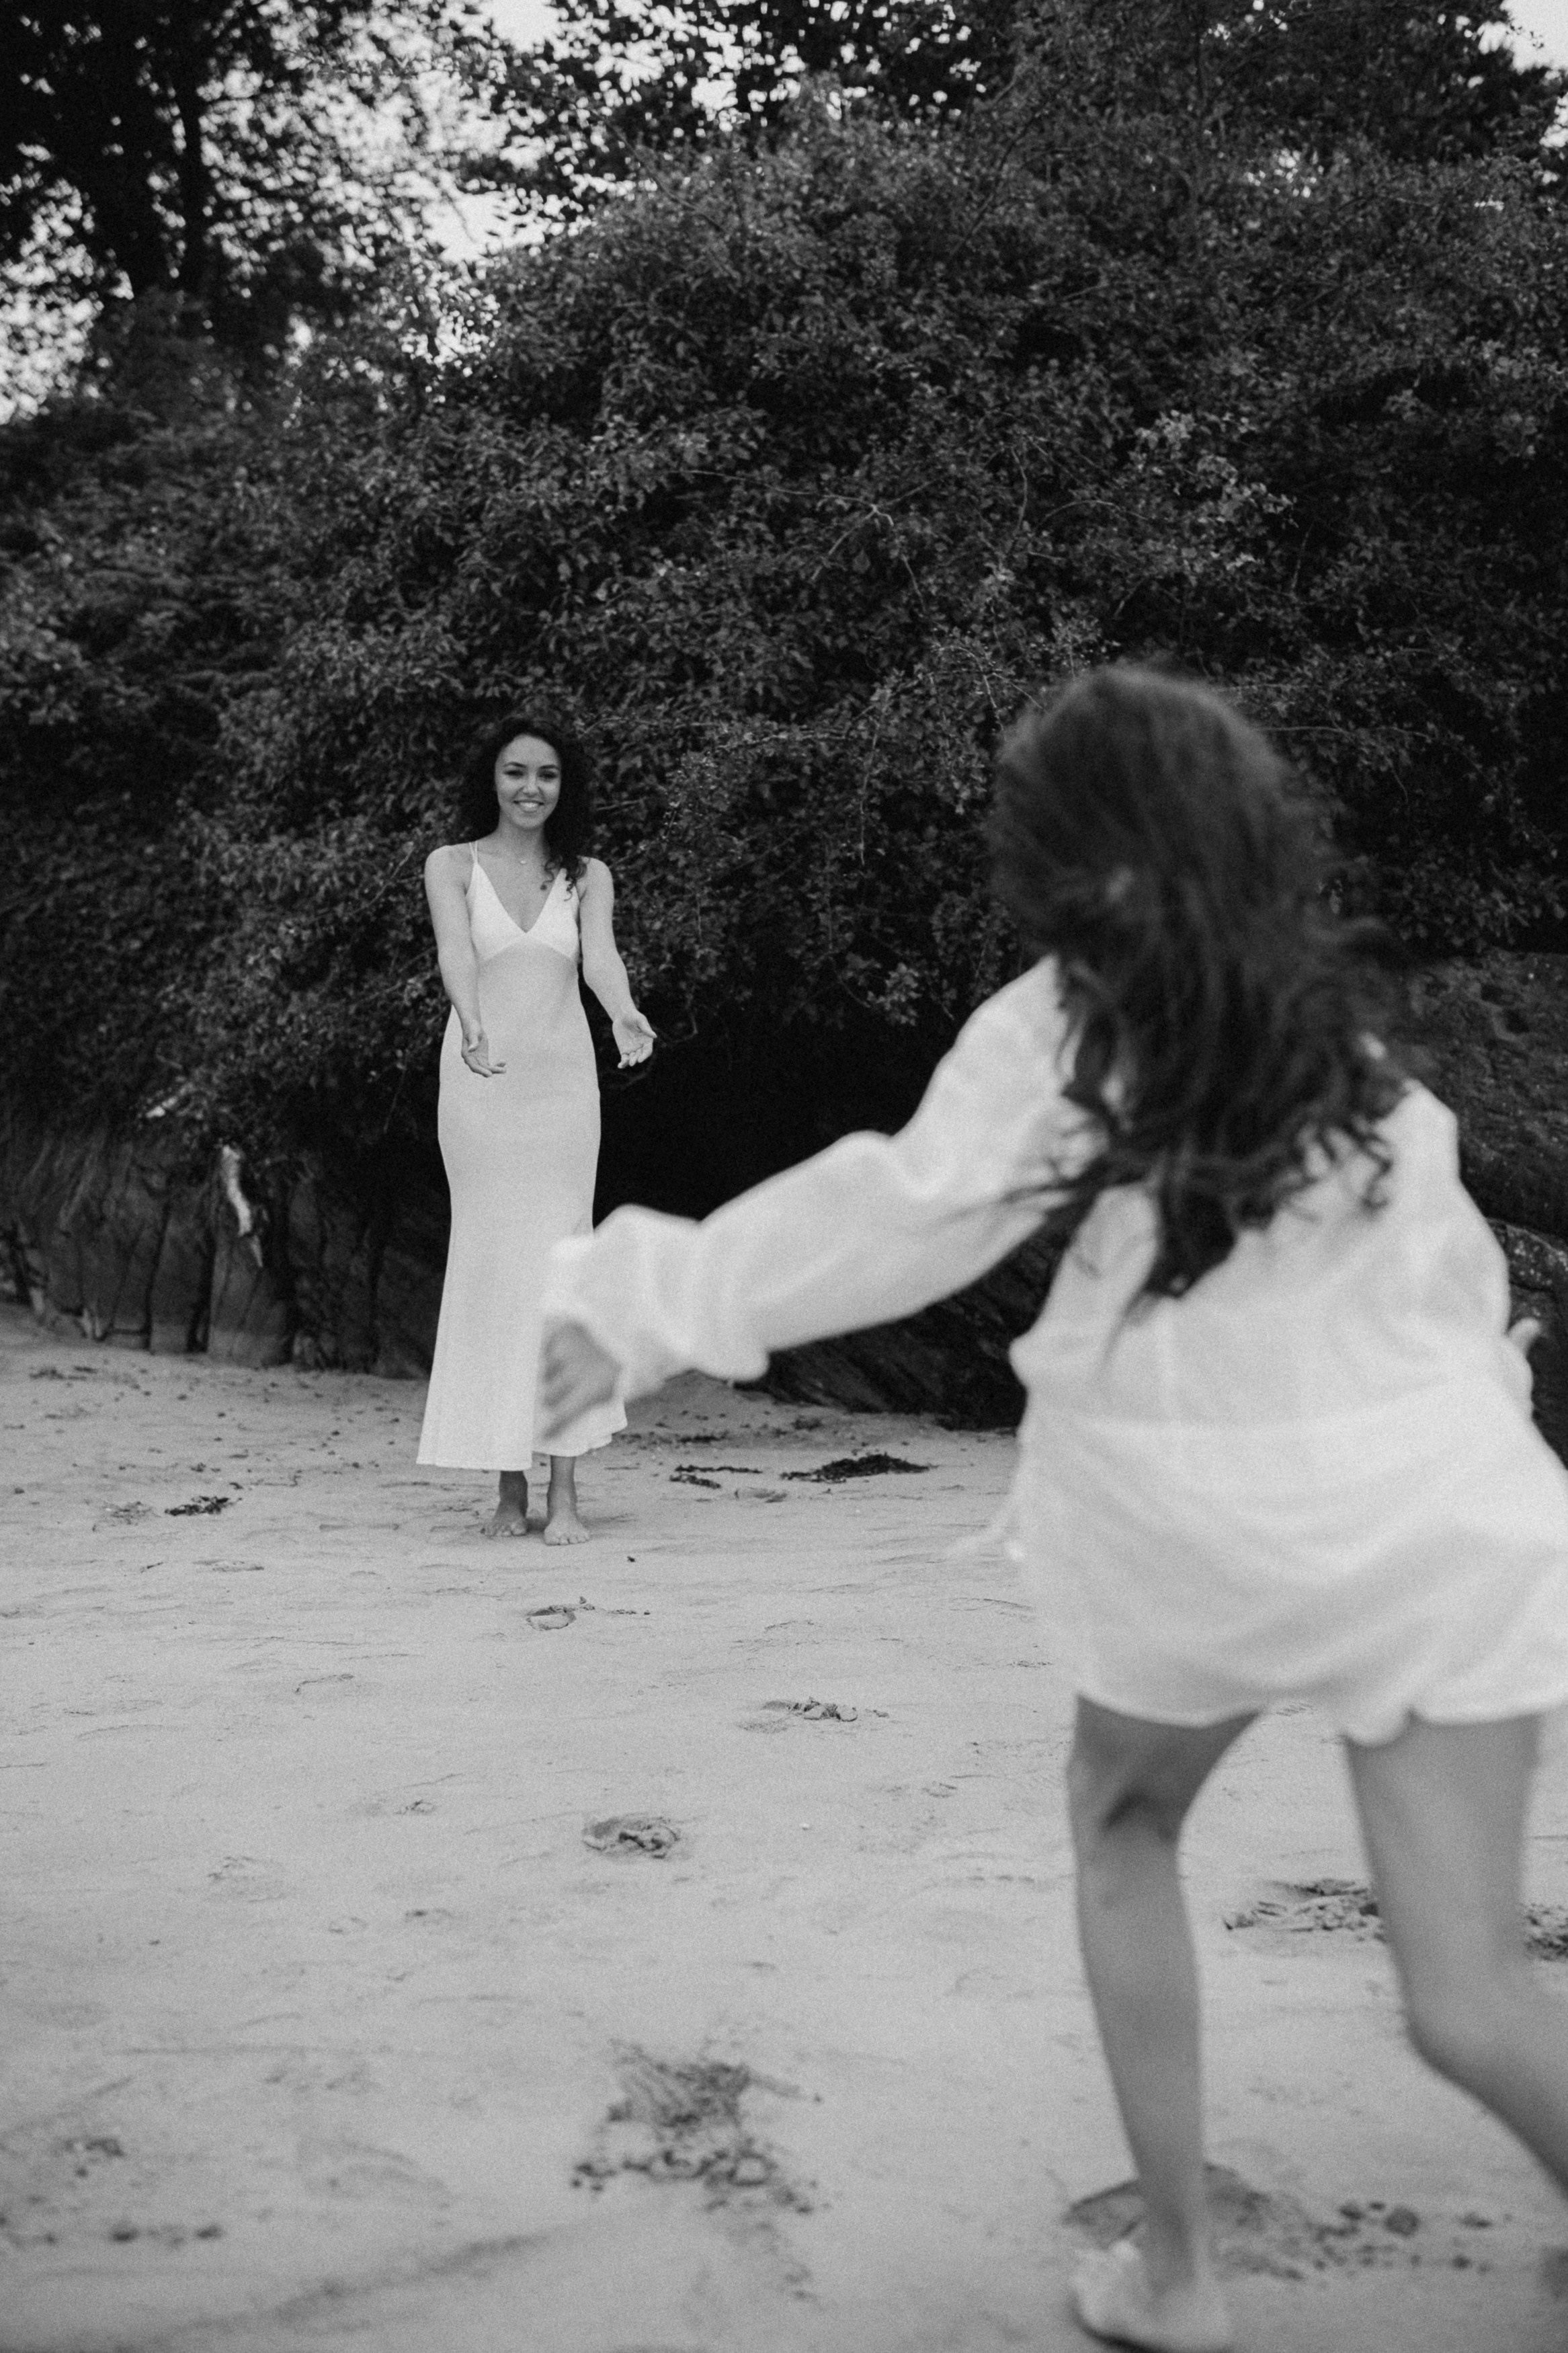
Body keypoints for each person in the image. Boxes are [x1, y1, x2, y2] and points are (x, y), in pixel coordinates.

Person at [537, 666, 1568, 2351]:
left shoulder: (1068, 1017)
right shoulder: (1351, 1038)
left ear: (1060, 852)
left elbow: (901, 1216)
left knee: (1125, 1826)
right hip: (1437, 1509)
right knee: (1468, 2001)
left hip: (1191, 1509)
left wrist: (637, 1306)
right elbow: (1448, 1295)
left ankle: (1175, 2279)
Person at [417, 712, 654, 1542]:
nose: (529, 788)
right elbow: (455, 949)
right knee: (492, 1274)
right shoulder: (450, 864)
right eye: (515, 772)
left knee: (562, 1275)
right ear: (492, 778)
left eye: (546, 775)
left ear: (564, 786)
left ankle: (566, 1494)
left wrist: (623, 1011)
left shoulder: (588, 873)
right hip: (480, 1088)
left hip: (559, 1095)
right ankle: (507, 1490)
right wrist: (470, 1019)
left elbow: (599, 957)